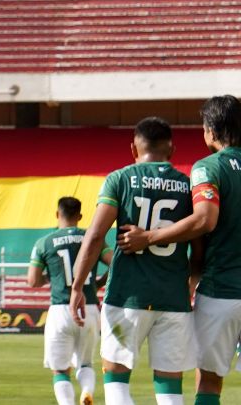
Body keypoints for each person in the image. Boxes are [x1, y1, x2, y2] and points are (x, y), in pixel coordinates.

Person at [119, 95, 241, 405]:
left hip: (222, 292)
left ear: (210, 131)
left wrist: (150, 237)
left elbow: (205, 219)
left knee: (210, 383)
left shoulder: (208, 168)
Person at [70, 117, 196, 405]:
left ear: (133, 148)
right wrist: (193, 281)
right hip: (173, 297)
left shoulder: (120, 179)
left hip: (127, 296)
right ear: (172, 150)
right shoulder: (188, 185)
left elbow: (94, 236)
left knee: (116, 380)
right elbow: (199, 240)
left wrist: (78, 286)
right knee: (170, 386)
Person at [28, 197, 113, 405]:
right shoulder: (93, 238)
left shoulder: (44, 242)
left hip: (60, 309)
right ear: (80, 216)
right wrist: (98, 283)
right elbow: (116, 263)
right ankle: (86, 391)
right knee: (85, 364)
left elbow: (33, 281)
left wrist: (53, 277)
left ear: (58, 214)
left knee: (60, 369)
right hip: (90, 307)